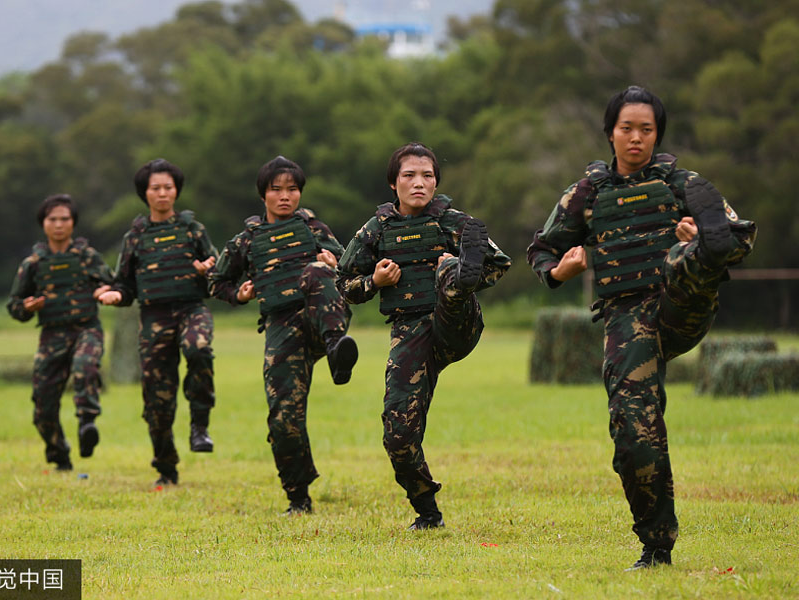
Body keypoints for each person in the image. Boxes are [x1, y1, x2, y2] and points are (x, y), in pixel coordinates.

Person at [527, 86, 757, 570]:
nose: (636, 138)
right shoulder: (587, 192)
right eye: (627, 128)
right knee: (633, 433)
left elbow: (743, 237)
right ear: (610, 133)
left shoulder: (683, 184)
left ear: (658, 135)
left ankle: (698, 252)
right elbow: (541, 251)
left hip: (681, 299)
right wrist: (560, 271)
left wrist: (708, 241)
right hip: (626, 318)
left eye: (646, 130)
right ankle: (656, 545)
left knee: (686, 256)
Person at [337, 142, 511, 530]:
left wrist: (463, 271)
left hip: (455, 321)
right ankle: (427, 512)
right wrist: (374, 281)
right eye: (409, 176)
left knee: (451, 274)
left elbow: (499, 264)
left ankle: (453, 274)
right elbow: (345, 284)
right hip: (409, 332)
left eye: (428, 176)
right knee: (398, 434)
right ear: (393, 184)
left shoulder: (454, 222)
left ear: (436, 182)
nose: (419, 183)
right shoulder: (376, 229)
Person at [209, 156, 357, 515]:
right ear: (263, 195)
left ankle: (337, 348)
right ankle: (298, 496)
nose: (285, 196)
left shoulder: (315, 229)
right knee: (283, 417)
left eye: (292, 189)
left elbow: (352, 267)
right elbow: (217, 281)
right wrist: (239, 294)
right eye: (277, 189)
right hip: (281, 327)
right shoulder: (248, 240)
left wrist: (335, 263)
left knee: (315, 270)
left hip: (321, 317)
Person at [98, 158, 218, 487]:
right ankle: (166, 467)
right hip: (153, 318)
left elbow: (218, 271)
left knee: (198, 348)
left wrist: (208, 269)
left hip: (191, 309)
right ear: (145, 193)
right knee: (157, 401)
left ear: (176, 191)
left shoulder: (193, 229)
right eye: (156, 188)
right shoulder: (135, 238)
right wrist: (114, 296)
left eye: (168, 187)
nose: (162, 193)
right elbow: (123, 284)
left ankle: (200, 426)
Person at [7, 194, 113, 471]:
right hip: (52, 335)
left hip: (86, 329)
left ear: (73, 223)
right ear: (43, 223)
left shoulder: (88, 257)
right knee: (43, 405)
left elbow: (113, 284)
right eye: (52, 219)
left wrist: (105, 291)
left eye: (64, 219)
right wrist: (28, 307)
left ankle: (87, 422)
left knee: (84, 365)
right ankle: (59, 456)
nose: (59, 225)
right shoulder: (33, 264)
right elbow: (14, 305)